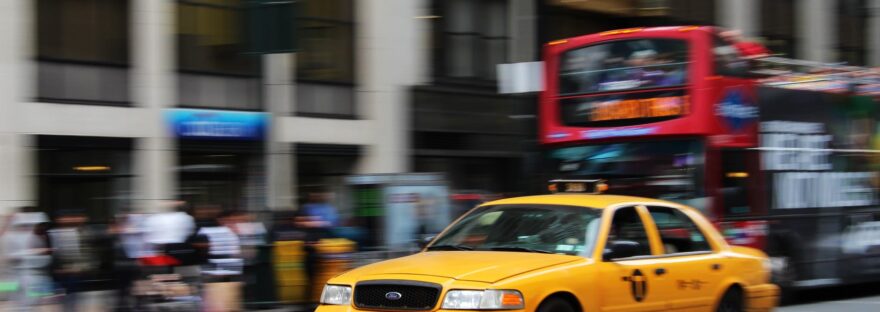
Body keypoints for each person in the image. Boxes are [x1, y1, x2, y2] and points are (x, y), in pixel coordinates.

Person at [48, 210, 92, 312]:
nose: (67, 219)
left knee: (73, 297)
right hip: (61, 271)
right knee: (63, 298)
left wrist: (81, 267)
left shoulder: (78, 231)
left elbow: (82, 252)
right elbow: (54, 253)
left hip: (74, 271)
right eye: (63, 218)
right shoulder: (54, 233)